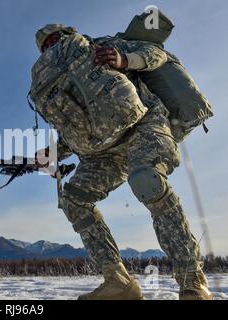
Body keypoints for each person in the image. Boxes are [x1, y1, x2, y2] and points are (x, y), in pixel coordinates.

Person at [32, 24, 213, 300]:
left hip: (145, 124)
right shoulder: (56, 82)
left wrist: (124, 60)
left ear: (68, 35)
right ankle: (118, 282)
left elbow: (155, 53)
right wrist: (51, 153)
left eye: (54, 40)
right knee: (75, 199)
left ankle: (193, 283)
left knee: (146, 179)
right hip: (103, 152)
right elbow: (75, 131)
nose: (51, 46)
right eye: (46, 44)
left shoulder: (99, 46)